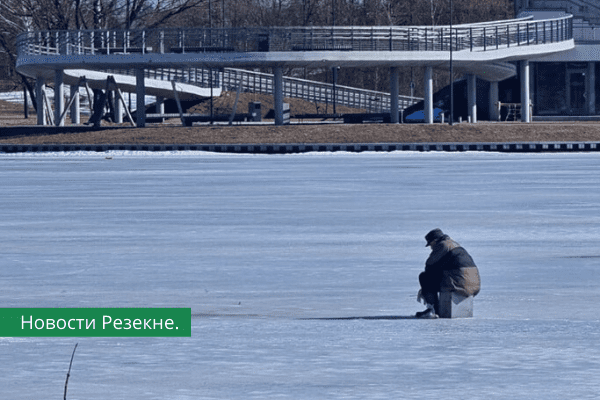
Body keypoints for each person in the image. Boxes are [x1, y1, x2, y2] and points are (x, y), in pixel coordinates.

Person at [416, 228, 481, 318]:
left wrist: (425, 290)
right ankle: (435, 308)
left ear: (435, 241)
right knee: (435, 276)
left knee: (425, 277)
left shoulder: (442, 245)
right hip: (473, 285)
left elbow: (429, 266)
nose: (431, 248)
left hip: (460, 283)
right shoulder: (454, 244)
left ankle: (432, 309)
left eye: (430, 244)